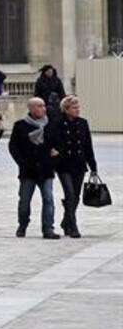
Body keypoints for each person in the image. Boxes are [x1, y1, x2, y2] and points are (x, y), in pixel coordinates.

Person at [9, 97, 60, 239]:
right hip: (28, 170)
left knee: (48, 199)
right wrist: (22, 162)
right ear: (31, 108)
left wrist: (55, 156)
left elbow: (58, 143)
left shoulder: (50, 125)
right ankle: (23, 224)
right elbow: (13, 147)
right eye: (39, 106)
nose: (43, 108)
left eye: (43, 105)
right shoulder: (20, 125)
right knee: (24, 201)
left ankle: (48, 228)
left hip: (46, 168)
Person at [48, 95, 98, 239]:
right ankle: (73, 225)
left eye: (78, 107)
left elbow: (87, 145)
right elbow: (51, 140)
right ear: (66, 109)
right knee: (69, 193)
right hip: (63, 164)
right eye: (74, 107)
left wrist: (93, 166)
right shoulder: (57, 123)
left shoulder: (83, 123)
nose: (77, 110)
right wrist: (53, 152)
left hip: (79, 164)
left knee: (75, 195)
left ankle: (66, 221)